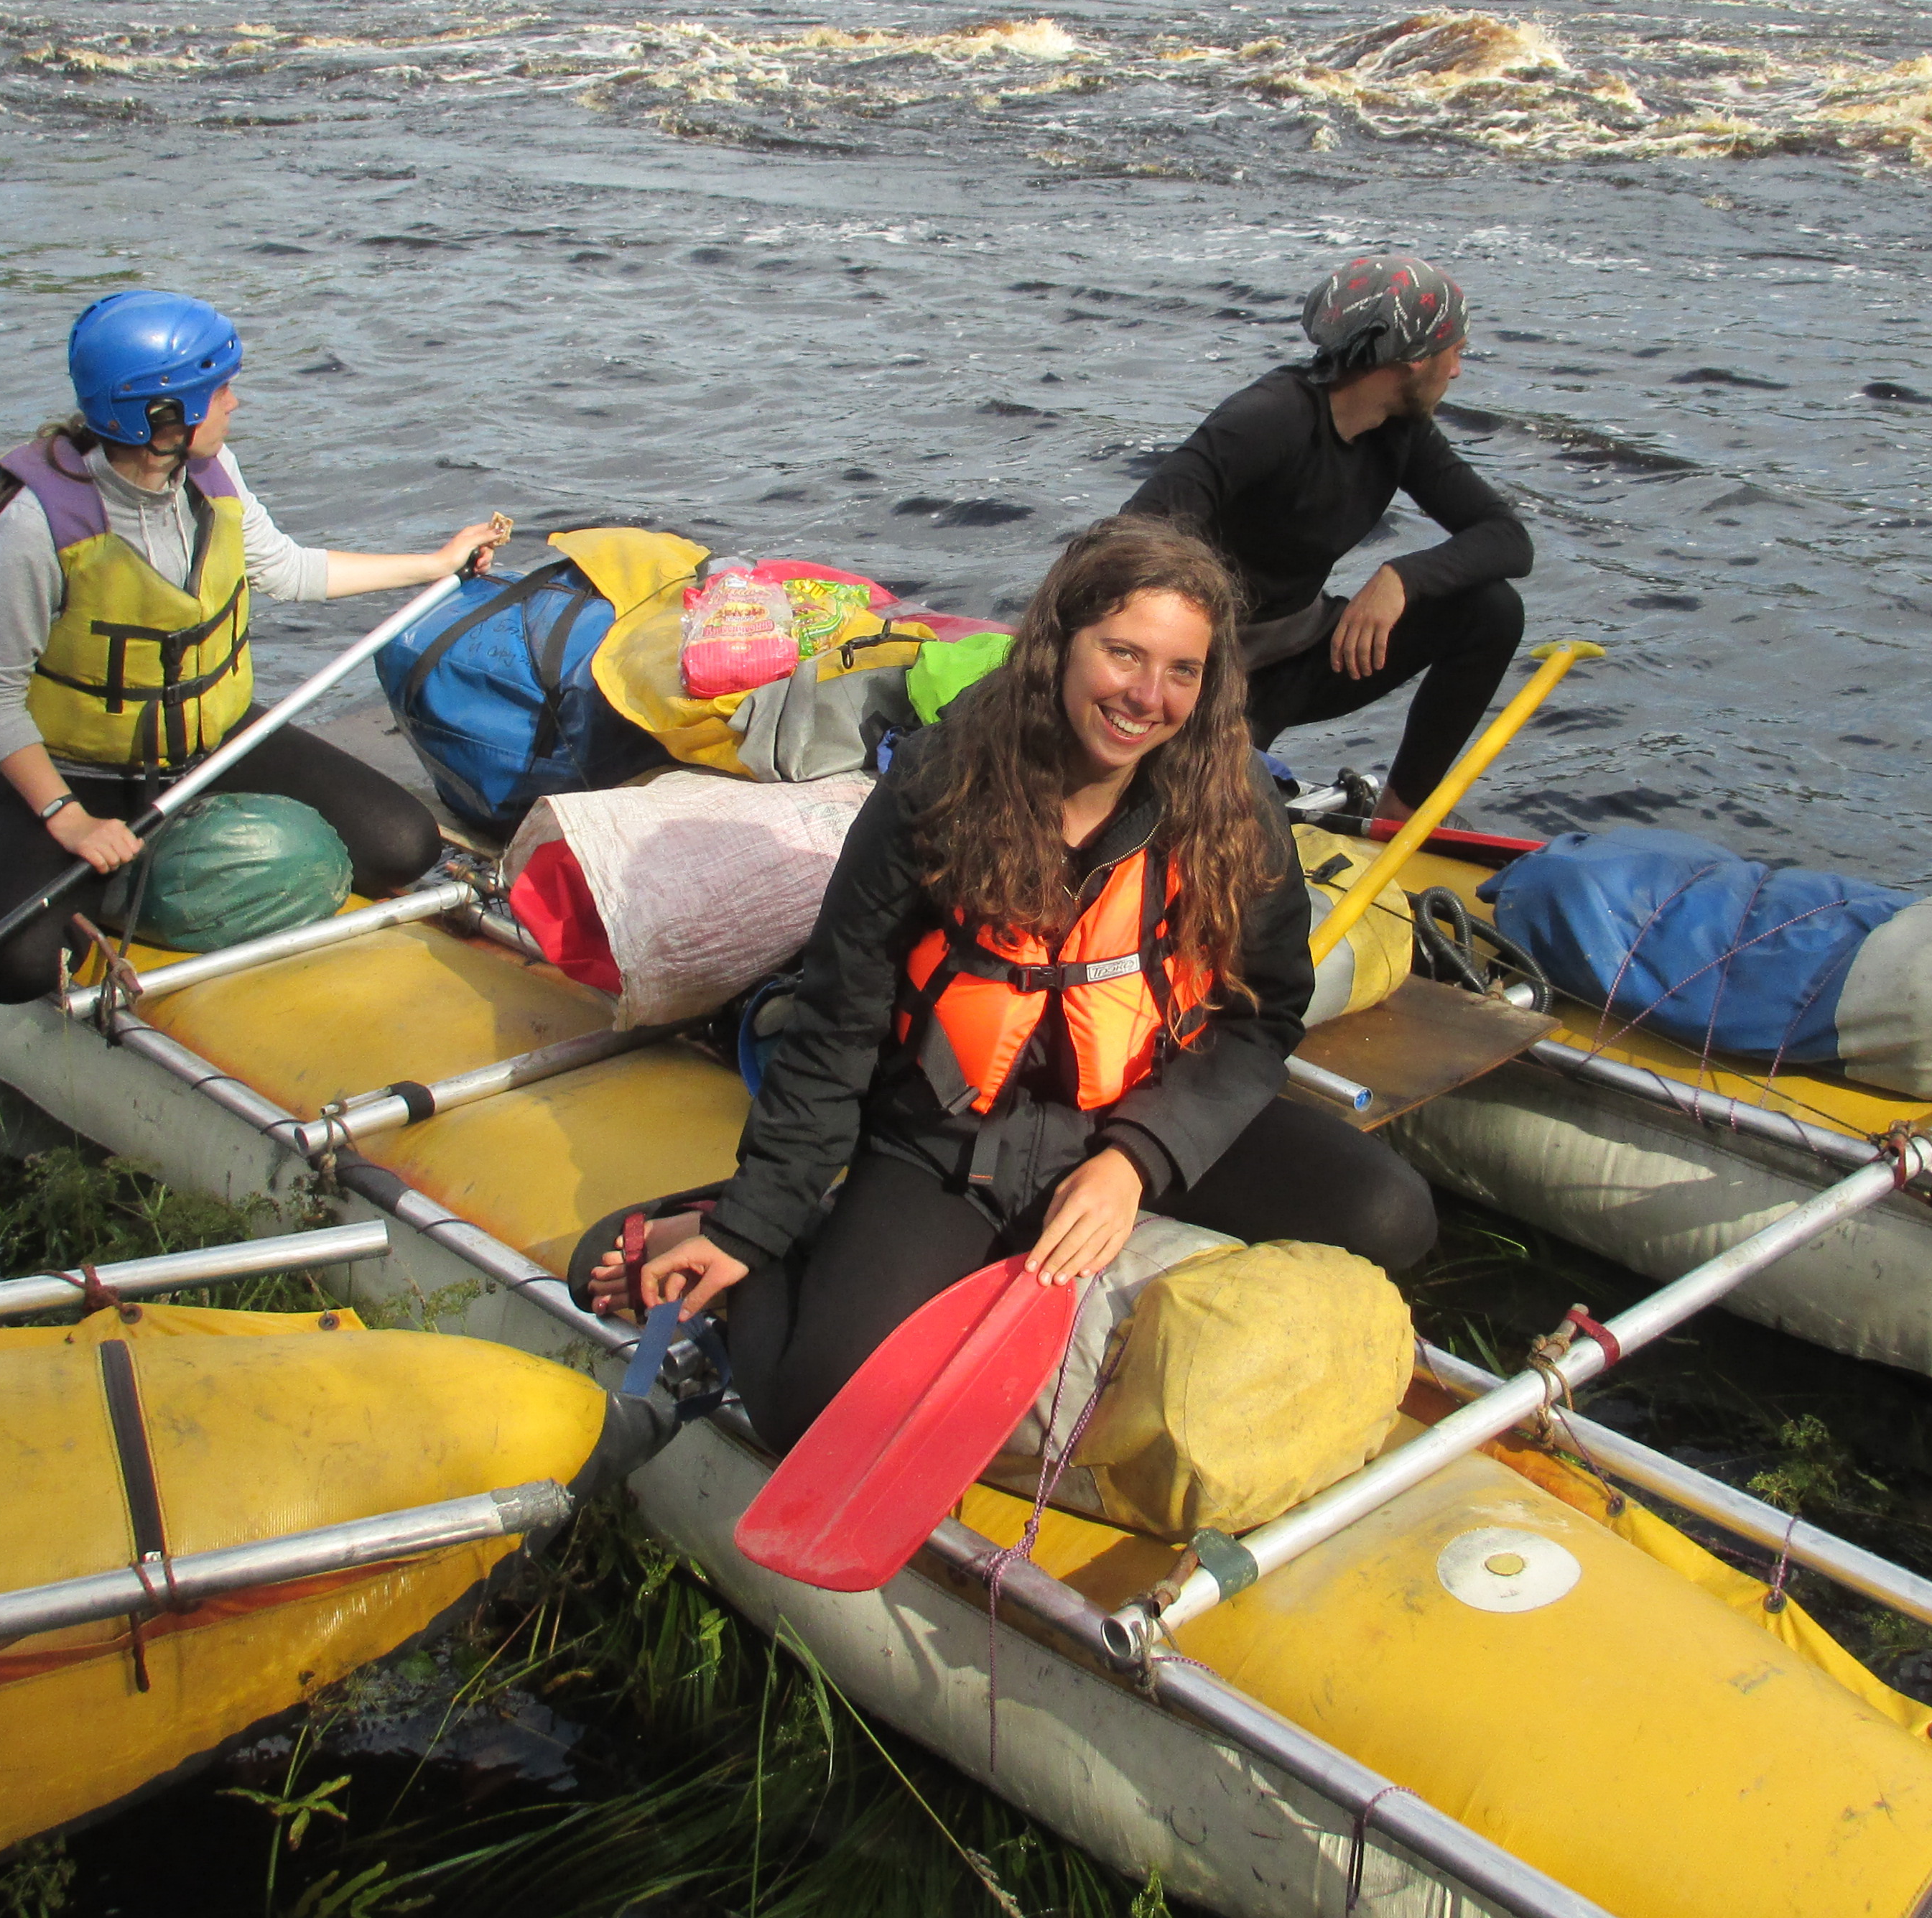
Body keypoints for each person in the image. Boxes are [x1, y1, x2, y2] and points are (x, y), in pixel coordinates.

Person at [633, 516, 1436, 1455]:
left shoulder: (1231, 802)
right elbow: (835, 1033)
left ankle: (1105, 1191)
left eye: (1183, 671)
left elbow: (1261, 1019)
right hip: (951, 1140)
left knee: (1394, 1212)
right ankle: (787, 1243)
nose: (1148, 696)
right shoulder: (937, 790)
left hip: (1138, 1106)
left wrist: (1135, 1160)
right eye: (1124, 654)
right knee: (815, 1411)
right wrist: (750, 1230)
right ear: (1059, 643)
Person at [0, 290, 498, 1002]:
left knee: (405, 845)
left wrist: (432, 564)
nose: (235, 403)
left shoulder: (211, 470)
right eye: (220, 390)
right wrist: (69, 819)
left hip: (212, 745)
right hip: (79, 770)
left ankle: (139, 871)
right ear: (161, 418)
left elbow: (285, 570)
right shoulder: (37, 525)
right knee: (10, 968)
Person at [1123, 254, 1530, 825]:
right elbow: (1133, 533)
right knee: (1194, 821)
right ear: (1413, 360)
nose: (1458, 370)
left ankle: (1393, 825)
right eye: (1455, 351)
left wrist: (1402, 579)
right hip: (1211, 675)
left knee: (1491, 611)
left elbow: (1508, 538)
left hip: (1302, 653)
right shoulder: (1270, 419)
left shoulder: (1401, 432)